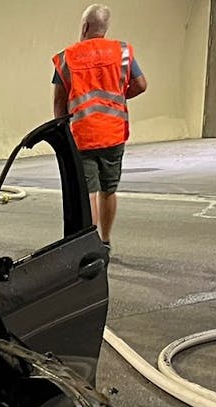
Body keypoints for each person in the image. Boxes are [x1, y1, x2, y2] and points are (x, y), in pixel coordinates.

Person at [52, 4, 147, 250]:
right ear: (105, 28)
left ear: (84, 26)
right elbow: (141, 84)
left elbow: (58, 103)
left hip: (83, 135)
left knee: (89, 194)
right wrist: (118, 97)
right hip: (114, 133)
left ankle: (90, 246)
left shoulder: (66, 58)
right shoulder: (122, 52)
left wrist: (63, 134)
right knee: (109, 190)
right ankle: (105, 240)